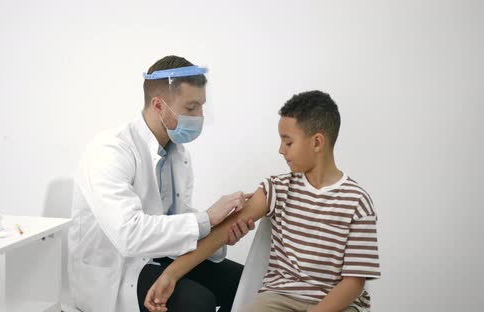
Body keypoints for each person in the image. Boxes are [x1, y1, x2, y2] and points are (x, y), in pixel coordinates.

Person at [144, 90, 381, 312]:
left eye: (288, 142)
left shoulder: (357, 202)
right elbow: (219, 234)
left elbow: (354, 282)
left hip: (338, 304)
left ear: (317, 142)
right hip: (280, 297)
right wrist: (170, 274)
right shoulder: (277, 188)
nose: (280, 150)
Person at [68, 55, 255, 312]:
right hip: (120, 270)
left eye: (201, 106)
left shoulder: (177, 152)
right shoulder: (110, 150)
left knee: (245, 284)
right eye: (191, 108)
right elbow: (129, 235)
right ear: (158, 105)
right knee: (198, 303)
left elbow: (174, 219)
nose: (200, 116)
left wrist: (220, 231)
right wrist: (207, 219)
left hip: (162, 255)